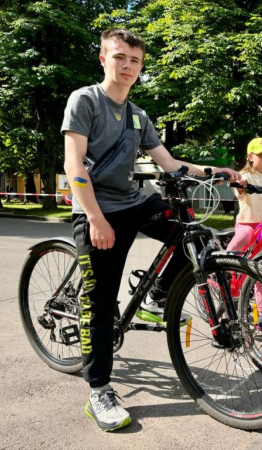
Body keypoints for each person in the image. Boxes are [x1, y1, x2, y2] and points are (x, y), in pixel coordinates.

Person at [62, 28, 239, 432]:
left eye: (135, 61)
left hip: (132, 202)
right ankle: (99, 390)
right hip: (96, 210)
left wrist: (217, 172)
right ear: (104, 59)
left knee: (193, 234)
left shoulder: (138, 115)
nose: (127, 66)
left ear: (141, 67)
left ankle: (155, 299)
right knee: (99, 304)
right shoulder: (85, 100)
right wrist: (93, 218)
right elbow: (74, 165)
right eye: (120, 57)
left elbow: (170, 163)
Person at [226, 137, 262, 336]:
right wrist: (241, 185)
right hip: (247, 225)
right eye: (261, 155)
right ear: (250, 156)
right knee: (233, 254)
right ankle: (224, 273)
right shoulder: (245, 175)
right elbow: (240, 189)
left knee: (261, 276)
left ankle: (260, 318)